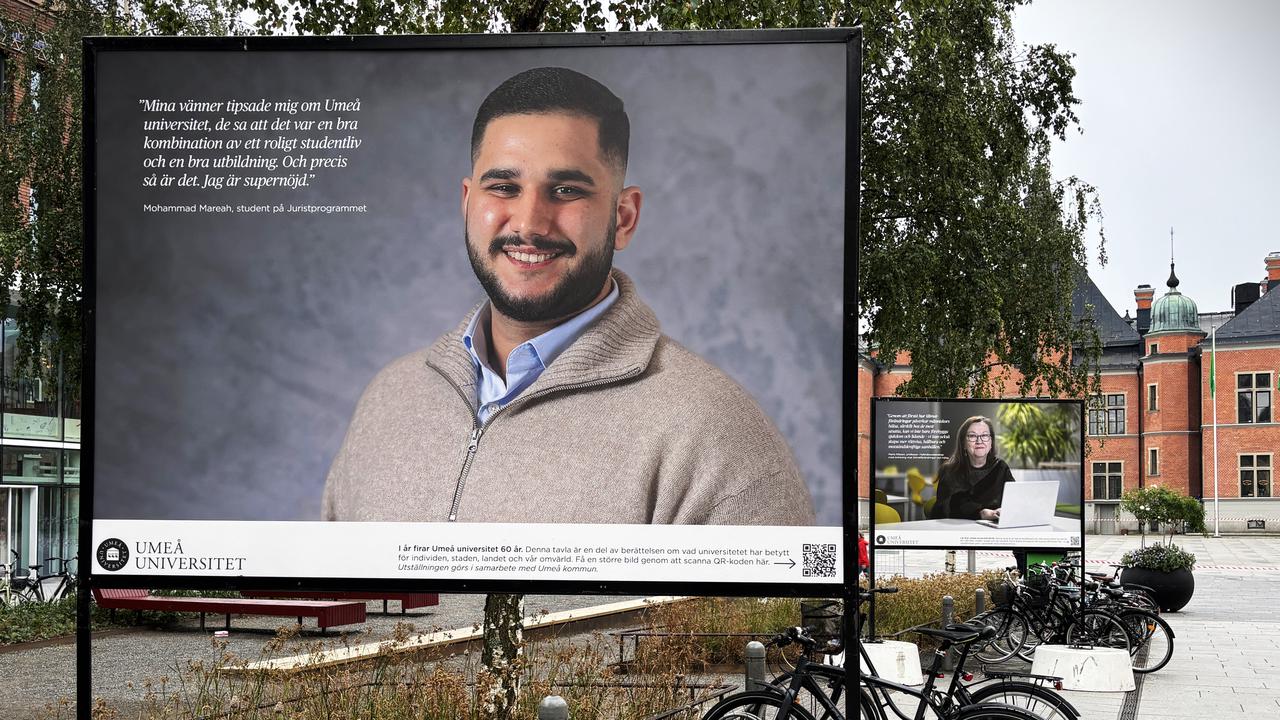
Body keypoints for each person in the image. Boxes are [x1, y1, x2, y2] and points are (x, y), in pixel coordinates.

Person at [322, 67, 815, 526]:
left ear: (623, 217)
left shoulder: (717, 436)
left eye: (565, 191)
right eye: (504, 187)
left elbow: (762, 623)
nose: (529, 223)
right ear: (468, 202)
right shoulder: (387, 400)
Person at [926, 415, 1014, 521]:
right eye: (972, 436)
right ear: (963, 443)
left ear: (991, 442)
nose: (979, 440)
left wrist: (1004, 511)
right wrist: (981, 513)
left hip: (994, 528)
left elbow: (1014, 500)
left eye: (985, 435)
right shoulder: (950, 471)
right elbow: (945, 510)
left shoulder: (1001, 468)